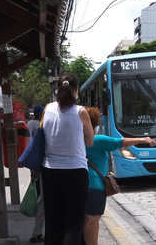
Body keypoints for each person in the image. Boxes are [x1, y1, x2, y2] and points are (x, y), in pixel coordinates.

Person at [83, 107, 155, 245]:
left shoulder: (75, 141)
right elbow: (121, 142)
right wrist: (143, 139)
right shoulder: (96, 140)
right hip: (95, 186)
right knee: (93, 219)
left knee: (86, 219)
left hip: (81, 185)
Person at [41, 73, 94, 245]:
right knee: (73, 224)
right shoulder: (80, 112)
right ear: (76, 90)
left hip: (50, 171)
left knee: (53, 222)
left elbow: (42, 135)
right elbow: (90, 140)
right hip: (75, 172)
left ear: (57, 89)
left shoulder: (47, 109)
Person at [26, 104, 45, 243]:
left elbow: (29, 145)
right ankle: (37, 232)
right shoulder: (42, 126)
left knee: (42, 199)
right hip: (42, 166)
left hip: (37, 164)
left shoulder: (33, 124)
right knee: (43, 200)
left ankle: (38, 232)